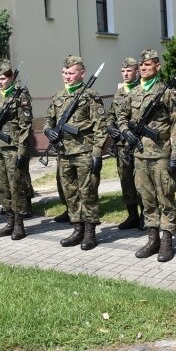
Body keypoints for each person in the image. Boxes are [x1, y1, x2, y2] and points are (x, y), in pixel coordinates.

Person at [116, 49, 176, 262]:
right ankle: (152, 238)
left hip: (161, 153)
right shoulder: (133, 93)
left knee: (165, 197)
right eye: (142, 65)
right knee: (147, 198)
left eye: (149, 65)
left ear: (157, 67)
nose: (144, 68)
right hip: (140, 153)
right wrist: (126, 131)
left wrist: (175, 154)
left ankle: (166, 240)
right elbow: (121, 116)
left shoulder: (167, 92)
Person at [43, 55, 108, 250]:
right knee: (70, 193)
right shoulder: (58, 96)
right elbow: (49, 120)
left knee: (87, 192)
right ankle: (77, 228)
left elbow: (100, 127)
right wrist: (48, 131)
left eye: (71, 73)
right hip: (64, 153)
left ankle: (90, 233)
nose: (67, 76)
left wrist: (97, 154)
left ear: (81, 73)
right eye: (64, 73)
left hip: (84, 152)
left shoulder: (90, 96)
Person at [0, 59, 33, 240]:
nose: (0, 82)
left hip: (12, 148)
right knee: (2, 186)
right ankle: (9, 221)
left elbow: (26, 127)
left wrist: (22, 151)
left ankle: (19, 225)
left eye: (3, 79)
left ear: (11, 78)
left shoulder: (20, 95)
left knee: (15, 187)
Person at [107, 57, 144, 231]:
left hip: (138, 143)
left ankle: (146, 214)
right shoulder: (119, 92)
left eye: (129, 71)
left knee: (141, 181)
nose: (126, 74)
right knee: (126, 180)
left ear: (136, 71)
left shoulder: (141, 90)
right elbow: (111, 115)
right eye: (123, 71)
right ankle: (132, 215)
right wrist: (110, 127)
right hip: (122, 145)